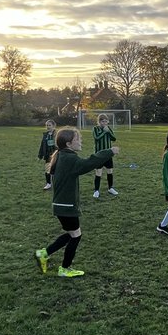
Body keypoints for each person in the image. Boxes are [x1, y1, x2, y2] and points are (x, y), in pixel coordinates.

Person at [33, 127, 119, 278]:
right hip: (66, 206)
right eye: (77, 139)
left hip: (60, 205)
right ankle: (64, 268)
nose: (80, 142)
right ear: (68, 144)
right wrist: (109, 152)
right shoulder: (69, 158)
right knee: (76, 236)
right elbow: (88, 164)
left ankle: (44, 253)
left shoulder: (61, 155)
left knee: (72, 233)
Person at [91, 113, 119, 198]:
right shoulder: (95, 128)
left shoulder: (108, 128)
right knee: (98, 172)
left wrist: (108, 132)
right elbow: (97, 138)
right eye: (102, 121)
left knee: (110, 171)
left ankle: (110, 188)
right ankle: (96, 191)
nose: (104, 123)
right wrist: (104, 131)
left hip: (108, 154)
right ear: (99, 122)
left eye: (106, 121)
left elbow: (114, 138)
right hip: (99, 154)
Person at [37, 120, 57, 190]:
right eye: (47, 125)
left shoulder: (57, 134)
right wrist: (40, 156)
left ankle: (56, 183)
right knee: (47, 170)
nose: (48, 127)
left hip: (56, 155)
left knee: (56, 170)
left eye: (49, 125)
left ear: (54, 126)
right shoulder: (45, 135)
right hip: (48, 156)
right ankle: (48, 183)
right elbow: (42, 146)